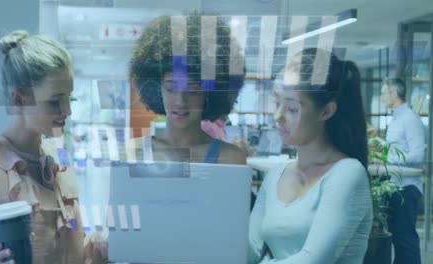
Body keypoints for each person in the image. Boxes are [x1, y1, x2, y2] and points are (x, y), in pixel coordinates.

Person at [0, 31, 103, 264]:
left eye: (69, 98)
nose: (67, 110)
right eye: (55, 100)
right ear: (18, 99)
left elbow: (71, 250)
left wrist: (99, 246)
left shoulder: (61, 159)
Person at [248, 48, 373, 263]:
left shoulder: (347, 173)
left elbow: (313, 260)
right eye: (276, 103)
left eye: (292, 109)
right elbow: (249, 252)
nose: (278, 117)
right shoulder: (275, 176)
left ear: (326, 111)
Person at [127, 12, 247, 165]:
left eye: (192, 90)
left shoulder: (230, 158)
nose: (180, 101)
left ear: (209, 94)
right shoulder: (134, 153)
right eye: (171, 89)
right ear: (158, 90)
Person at [380, 77, 425, 264]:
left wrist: (388, 158)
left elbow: (417, 155)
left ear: (393, 93)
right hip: (394, 187)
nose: (382, 97)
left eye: (383, 93)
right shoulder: (396, 119)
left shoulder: (410, 119)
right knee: (396, 238)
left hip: (406, 188)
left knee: (406, 239)